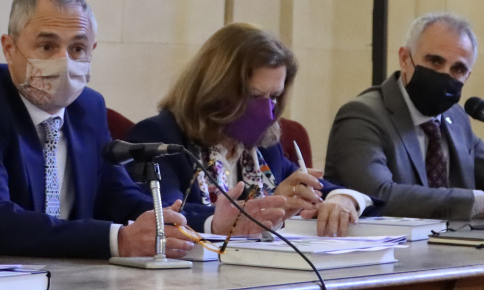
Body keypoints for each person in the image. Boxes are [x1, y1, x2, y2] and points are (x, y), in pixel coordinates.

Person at [0, 0, 190, 259]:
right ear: (9, 48)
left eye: (77, 49)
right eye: (47, 47)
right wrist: (116, 241)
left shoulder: (88, 106)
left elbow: (119, 198)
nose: (64, 61)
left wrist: (198, 223)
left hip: (74, 280)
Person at [126, 22, 369, 237]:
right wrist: (266, 206)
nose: (267, 111)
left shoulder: (265, 148)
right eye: (254, 96)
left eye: (274, 97)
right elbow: (163, 211)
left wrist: (343, 200)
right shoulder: (160, 137)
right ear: (215, 88)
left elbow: (322, 190)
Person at [324, 12, 484, 221]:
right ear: (405, 59)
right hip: (384, 257)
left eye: (458, 69)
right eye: (435, 61)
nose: (445, 75)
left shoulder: (455, 118)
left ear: (468, 75)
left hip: (454, 253)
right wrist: (479, 202)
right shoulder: (363, 115)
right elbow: (376, 194)